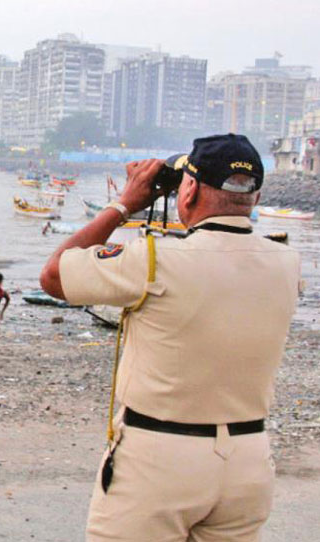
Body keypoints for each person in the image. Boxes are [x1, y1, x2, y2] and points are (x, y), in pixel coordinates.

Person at [39, 134, 301, 541]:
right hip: (247, 460)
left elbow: (55, 275)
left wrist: (124, 204)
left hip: (159, 458)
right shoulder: (288, 264)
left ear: (190, 188)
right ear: (255, 195)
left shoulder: (155, 260)